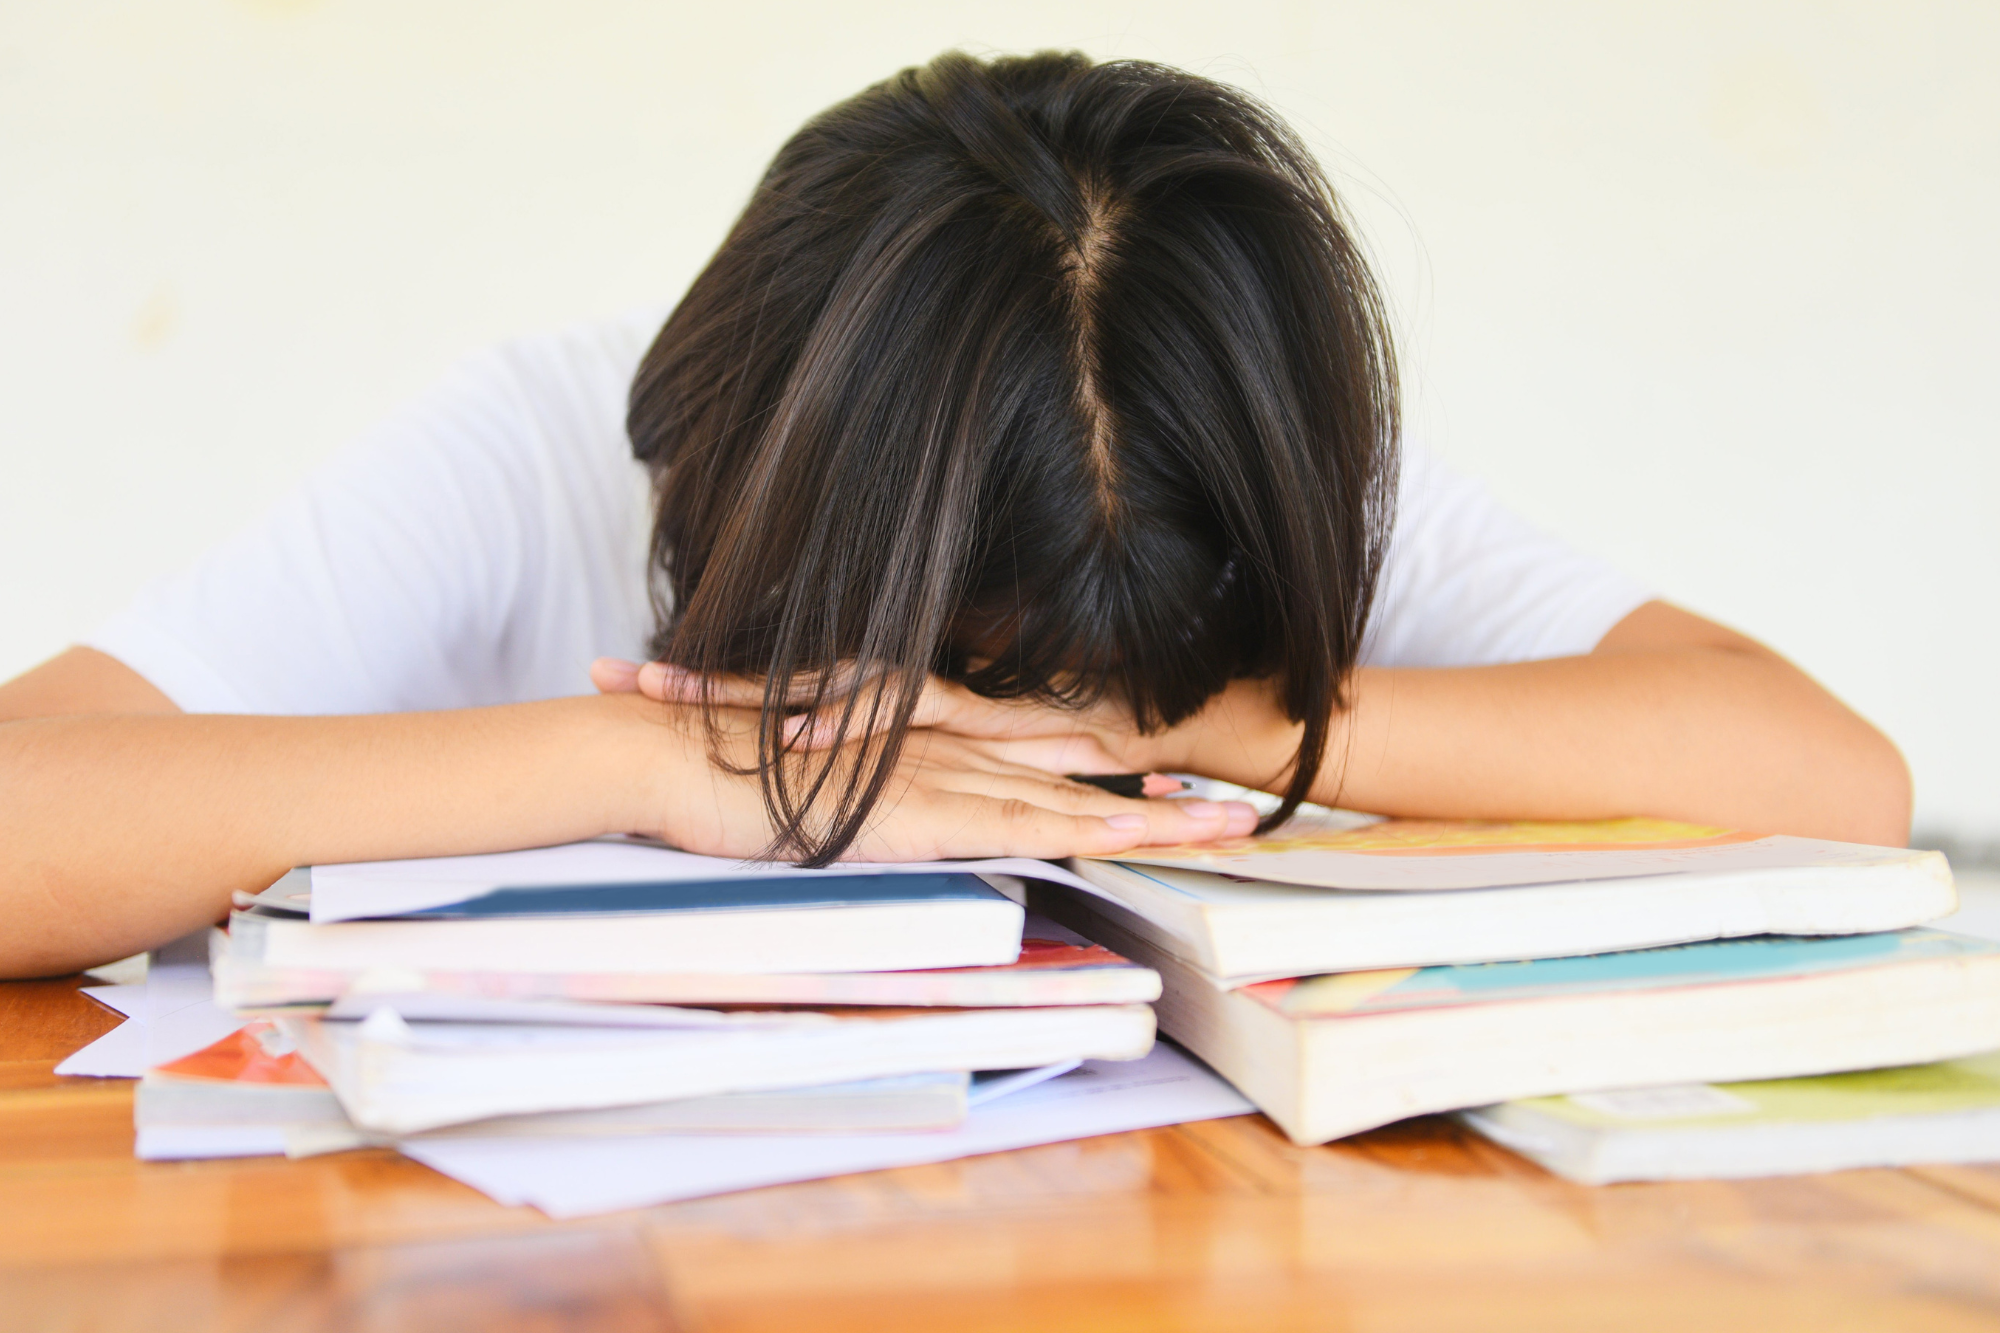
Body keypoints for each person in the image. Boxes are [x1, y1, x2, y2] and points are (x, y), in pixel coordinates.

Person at [0, 51, 1909, 979]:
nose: (969, 725)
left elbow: (1831, 777)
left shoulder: (1213, 469)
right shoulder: (554, 441)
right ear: (715, 452)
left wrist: (1182, 721)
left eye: (1064, 678)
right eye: (949, 668)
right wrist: (652, 769)